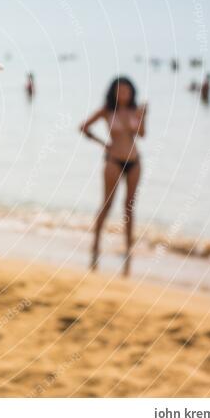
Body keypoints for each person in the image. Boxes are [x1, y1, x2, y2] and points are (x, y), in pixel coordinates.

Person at [80, 77, 147, 277]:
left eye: (127, 91)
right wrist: (103, 144)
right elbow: (83, 127)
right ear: (114, 92)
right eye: (120, 91)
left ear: (132, 92)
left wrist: (141, 116)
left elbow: (142, 134)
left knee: (129, 206)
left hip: (135, 161)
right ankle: (95, 246)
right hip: (113, 160)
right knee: (107, 204)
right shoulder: (106, 111)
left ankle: (128, 249)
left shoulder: (137, 111)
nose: (124, 94)